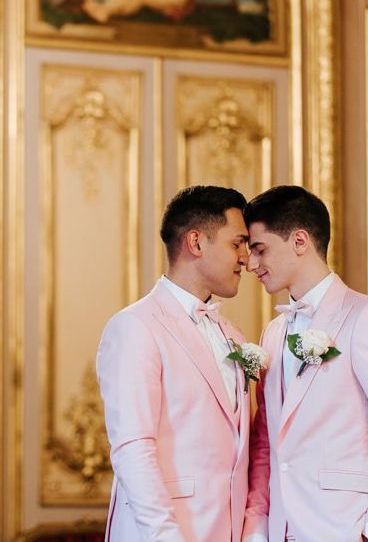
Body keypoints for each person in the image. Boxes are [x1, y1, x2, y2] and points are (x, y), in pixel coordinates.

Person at [241, 186, 368, 542]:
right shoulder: (274, 332)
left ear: (299, 241)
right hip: (279, 530)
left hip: (347, 528)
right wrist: (257, 526)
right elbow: (265, 441)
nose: (251, 265)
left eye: (259, 250)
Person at [97, 185, 251, 541]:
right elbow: (132, 448)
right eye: (236, 243)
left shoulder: (233, 335)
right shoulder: (135, 327)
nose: (246, 258)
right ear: (196, 243)